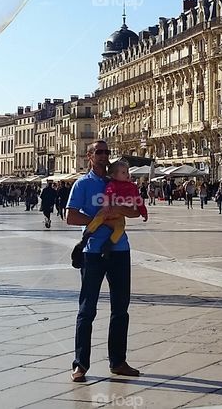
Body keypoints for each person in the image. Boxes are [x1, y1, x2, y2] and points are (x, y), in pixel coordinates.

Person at [66, 141, 142, 382]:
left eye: (107, 152)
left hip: (120, 250)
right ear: (89, 156)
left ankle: (118, 361)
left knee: (120, 309)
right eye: (99, 152)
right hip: (92, 251)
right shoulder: (82, 184)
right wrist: (98, 220)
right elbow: (70, 216)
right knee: (87, 309)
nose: (104, 156)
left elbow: (136, 211)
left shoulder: (119, 182)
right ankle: (80, 365)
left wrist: (119, 209)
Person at [81, 160, 147, 255]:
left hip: (119, 215)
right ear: (113, 176)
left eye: (127, 172)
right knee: (98, 219)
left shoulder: (133, 187)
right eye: (123, 172)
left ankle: (109, 244)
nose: (127, 174)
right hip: (109, 210)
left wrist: (143, 212)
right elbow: (108, 193)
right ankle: (87, 235)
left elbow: (138, 200)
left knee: (120, 228)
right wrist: (106, 204)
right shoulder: (113, 184)